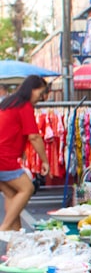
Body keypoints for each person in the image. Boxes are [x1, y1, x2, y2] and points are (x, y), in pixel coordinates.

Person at [0, 76, 49, 231]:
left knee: (13, 195)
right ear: (32, 89)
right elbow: (34, 136)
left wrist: (20, 150)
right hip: (4, 157)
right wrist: (45, 161)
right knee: (27, 188)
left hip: (4, 155)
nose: (40, 98)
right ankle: (4, 229)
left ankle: (15, 242)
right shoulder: (24, 106)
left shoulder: (9, 103)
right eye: (40, 93)